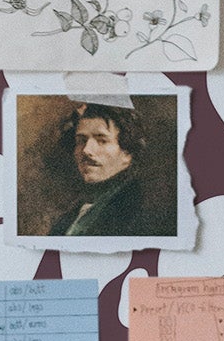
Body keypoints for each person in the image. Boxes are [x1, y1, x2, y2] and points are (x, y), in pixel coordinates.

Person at [48, 100, 165, 240]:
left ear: (127, 153)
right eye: (81, 140)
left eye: (102, 140)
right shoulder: (69, 218)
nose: (86, 150)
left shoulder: (140, 212)